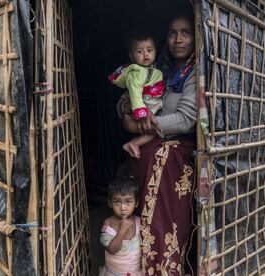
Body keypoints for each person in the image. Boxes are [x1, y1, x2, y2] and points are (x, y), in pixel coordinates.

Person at [120, 12, 197, 276]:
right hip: (158, 135)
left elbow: (187, 119)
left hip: (183, 143)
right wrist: (127, 114)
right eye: (173, 33)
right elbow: (132, 94)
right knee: (138, 156)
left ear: (196, 36)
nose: (178, 39)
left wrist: (148, 122)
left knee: (160, 158)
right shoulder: (157, 66)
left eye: (185, 32)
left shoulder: (196, 71)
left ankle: (165, 261)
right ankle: (135, 255)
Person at [109, 32, 165, 159]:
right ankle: (134, 144)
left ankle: (135, 143)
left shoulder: (154, 69)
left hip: (150, 103)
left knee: (155, 129)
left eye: (149, 50)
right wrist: (140, 111)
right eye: (140, 51)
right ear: (132, 56)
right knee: (156, 129)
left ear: (155, 51)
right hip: (142, 105)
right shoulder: (136, 71)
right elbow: (134, 92)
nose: (145, 54)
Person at [100, 176, 143, 276]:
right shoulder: (109, 223)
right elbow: (112, 249)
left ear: (136, 203)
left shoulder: (139, 222)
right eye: (117, 202)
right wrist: (122, 231)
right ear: (110, 203)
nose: (123, 207)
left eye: (128, 201)